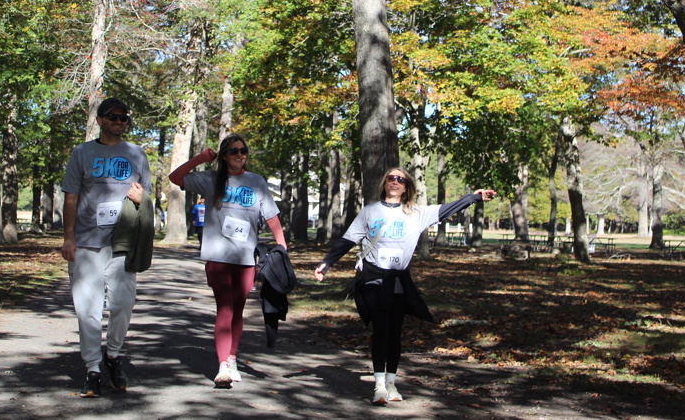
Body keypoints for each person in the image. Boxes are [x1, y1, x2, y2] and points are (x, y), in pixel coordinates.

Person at [314, 168, 495, 406]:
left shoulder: (417, 213)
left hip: (399, 279)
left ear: (406, 187)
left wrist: (474, 197)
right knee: (381, 328)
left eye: (401, 179)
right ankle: (379, 385)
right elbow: (348, 240)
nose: (395, 182)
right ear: (384, 183)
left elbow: (447, 208)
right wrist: (327, 263)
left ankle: (391, 382)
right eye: (391, 178)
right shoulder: (370, 211)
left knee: (394, 331)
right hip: (372, 276)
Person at [169, 134, 287, 388]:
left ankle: (232, 358)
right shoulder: (211, 179)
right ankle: (223, 365)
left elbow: (271, 215)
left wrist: (282, 243)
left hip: (246, 257)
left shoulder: (256, 181)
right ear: (224, 155)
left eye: (243, 150)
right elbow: (175, 177)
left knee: (238, 309)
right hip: (218, 256)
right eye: (233, 150)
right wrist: (201, 158)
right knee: (225, 307)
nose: (239, 155)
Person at [61, 98, 152, 398]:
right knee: (87, 310)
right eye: (113, 117)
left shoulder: (137, 153)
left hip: (123, 243)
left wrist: (141, 198)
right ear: (99, 120)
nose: (119, 121)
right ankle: (92, 369)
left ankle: (112, 355)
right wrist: (69, 238)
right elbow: (71, 196)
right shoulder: (82, 152)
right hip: (87, 243)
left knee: (123, 304)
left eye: (123, 118)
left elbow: (146, 195)